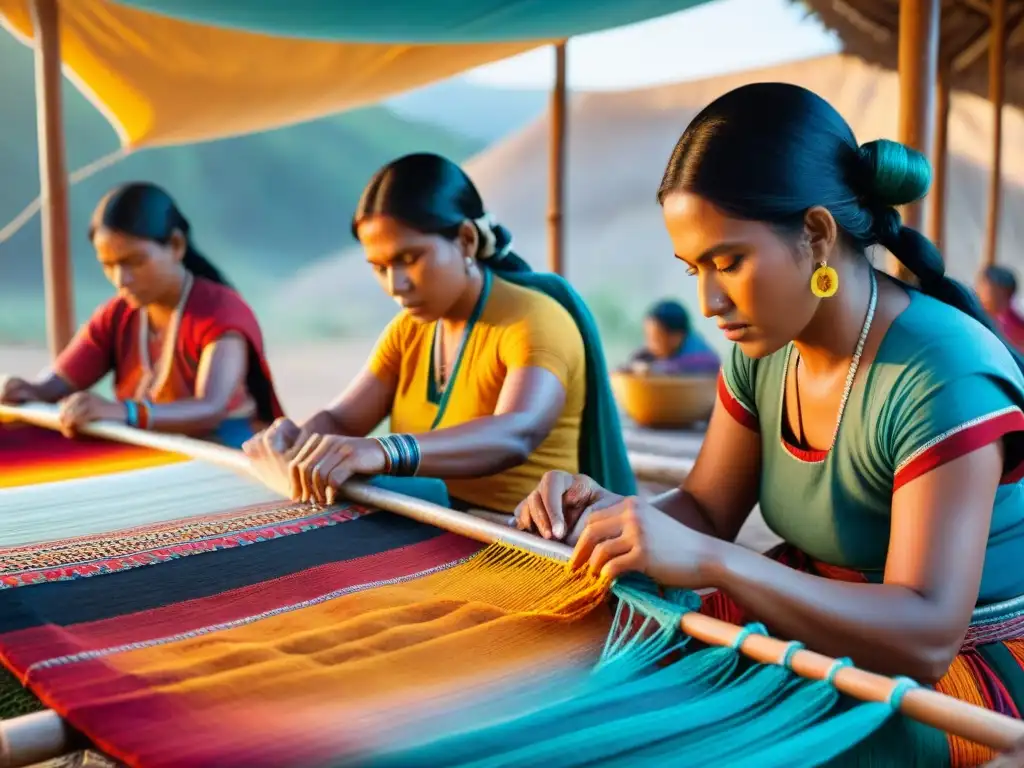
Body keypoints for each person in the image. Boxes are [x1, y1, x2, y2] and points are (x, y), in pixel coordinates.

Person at [515, 83, 1024, 763]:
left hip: (963, 670)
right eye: (694, 268)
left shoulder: (942, 375)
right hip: (812, 624)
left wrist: (720, 564)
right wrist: (608, 514)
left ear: (815, 235)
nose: (709, 301)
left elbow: (926, 638)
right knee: (577, 675)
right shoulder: (766, 348)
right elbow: (703, 507)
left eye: (729, 261)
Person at [243, 152, 635, 515]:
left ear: (464, 240)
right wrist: (299, 443)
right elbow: (344, 422)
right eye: (379, 267)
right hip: (427, 523)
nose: (396, 285)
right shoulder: (409, 331)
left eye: (408, 259)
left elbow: (516, 432)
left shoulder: (533, 319)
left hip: (519, 540)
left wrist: (383, 451)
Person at [0, 182, 283, 448]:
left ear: (175, 245)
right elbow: (53, 386)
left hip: (227, 449)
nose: (120, 278)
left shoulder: (220, 311)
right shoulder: (117, 314)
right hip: (154, 449)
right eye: (108, 265)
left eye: (133, 261)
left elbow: (210, 407)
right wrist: (27, 390)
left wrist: (120, 411)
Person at [625, 298, 719, 375]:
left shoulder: (701, 356)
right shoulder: (651, 353)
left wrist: (652, 369)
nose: (649, 344)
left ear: (676, 337)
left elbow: (707, 364)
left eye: (655, 339)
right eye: (647, 336)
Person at [976, 265, 1024, 353]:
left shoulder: (1007, 326)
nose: (979, 290)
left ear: (1002, 291)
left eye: (985, 286)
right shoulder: (983, 315)